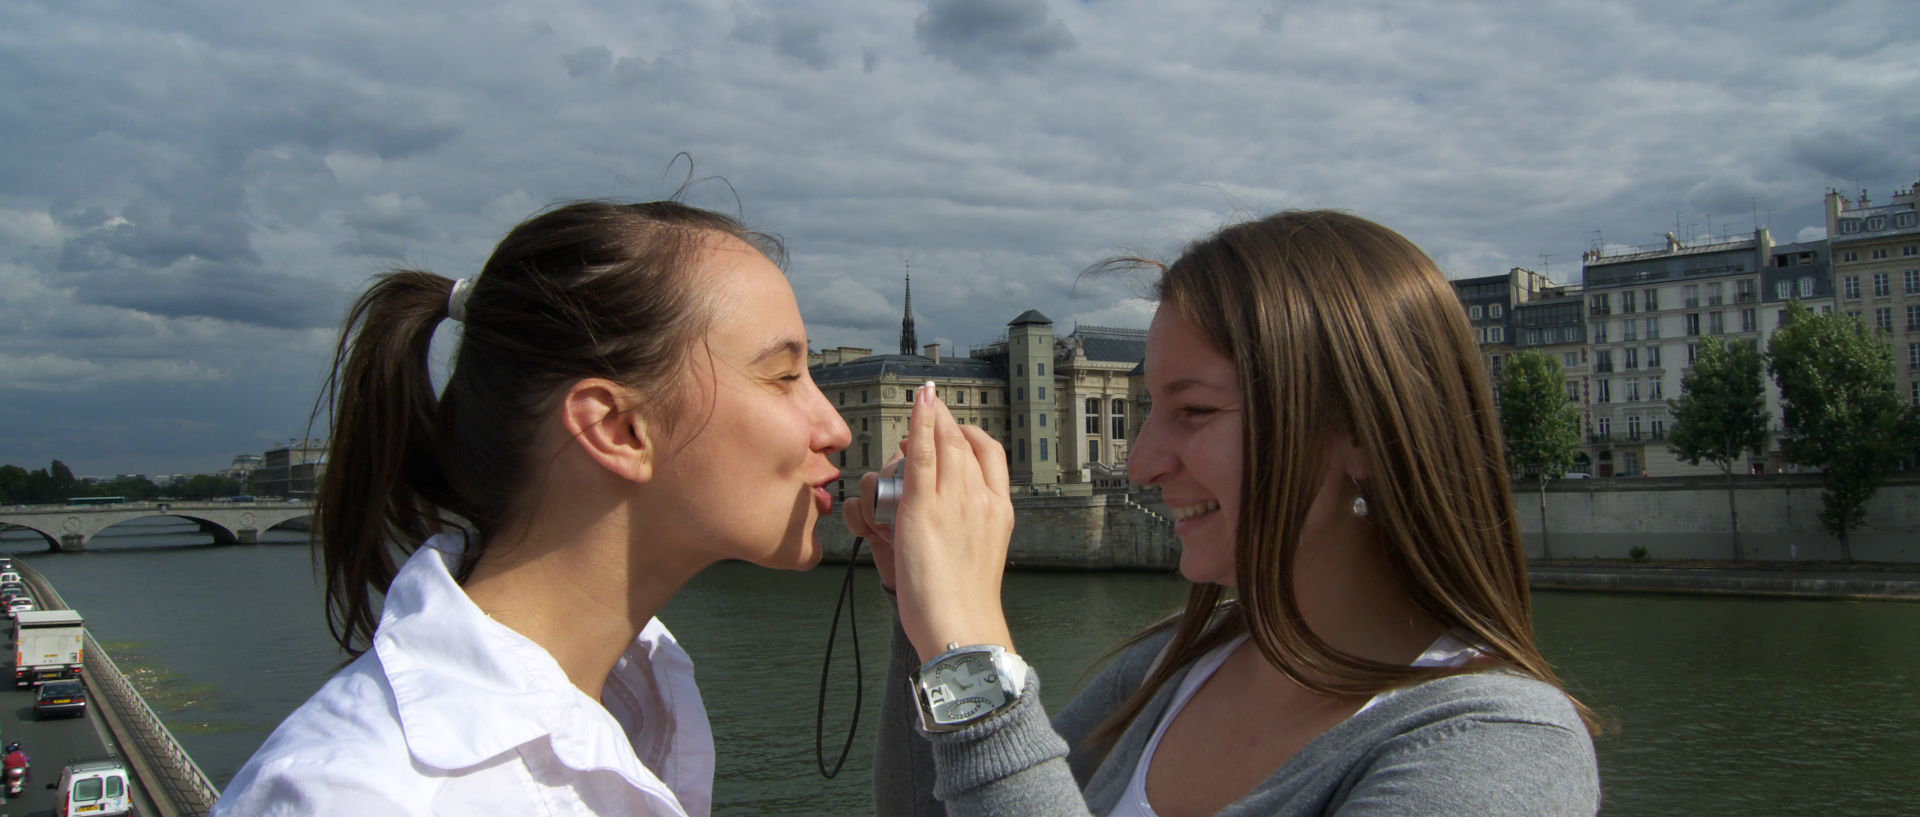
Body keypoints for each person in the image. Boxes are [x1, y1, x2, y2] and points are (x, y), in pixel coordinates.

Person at [852, 210, 1602, 816]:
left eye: (1196, 410)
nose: (1142, 462)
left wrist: (973, 652)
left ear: (1361, 434)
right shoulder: (1167, 671)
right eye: (1151, 409)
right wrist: (924, 624)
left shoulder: (1505, 750)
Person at [213, 201, 851, 816]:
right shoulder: (362, 798)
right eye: (785, 377)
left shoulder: (639, 696)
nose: (835, 429)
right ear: (618, 429)